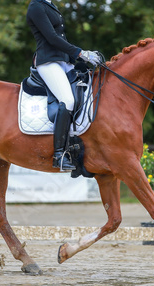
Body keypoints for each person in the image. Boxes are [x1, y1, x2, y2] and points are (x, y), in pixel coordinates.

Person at [26, 0, 101, 171]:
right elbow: (51, 37)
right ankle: (59, 155)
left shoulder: (50, 4)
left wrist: (78, 60)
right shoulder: (36, 6)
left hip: (62, 61)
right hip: (48, 62)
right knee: (67, 100)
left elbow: (60, 38)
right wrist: (80, 53)